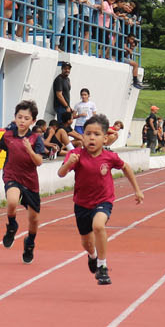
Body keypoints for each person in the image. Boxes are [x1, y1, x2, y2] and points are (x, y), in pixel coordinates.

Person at [58, 114, 144, 286]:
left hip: (103, 200)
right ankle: (93, 256)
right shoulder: (75, 154)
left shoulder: (109, 157)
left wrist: (137, 190)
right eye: (88, 134)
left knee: (98, 225)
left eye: (96, 134)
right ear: (82, 137)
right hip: (82, 203)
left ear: (105, 138)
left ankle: (102, 266)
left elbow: (126, 167)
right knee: (87, 243)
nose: (92, 138)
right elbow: (61, 173)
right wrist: (68, 163)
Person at [0, 100, 48, 264]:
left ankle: (30, 242)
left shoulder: (36, 139)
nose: (22, 121)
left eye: (26, 118)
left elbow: (39, 161)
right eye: (20, 117)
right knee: (12, 201)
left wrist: (30, 150)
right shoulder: (8, 135)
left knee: (34, 219)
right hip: (12, 175)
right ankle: (12, 226)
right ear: (15, 117)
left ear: (32, 121)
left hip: (30, 181)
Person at [51, 61, 72, 128]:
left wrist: (69, 107)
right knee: (62, 126)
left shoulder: (67, 79)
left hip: (65, 107)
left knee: (67, 126)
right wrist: (66, 106)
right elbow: (59, 95)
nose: (67, 70)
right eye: (65, 68)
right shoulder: (59, 79)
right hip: (61, 107)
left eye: (68, 69)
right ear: (62, 69)